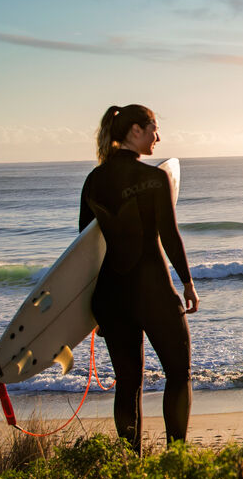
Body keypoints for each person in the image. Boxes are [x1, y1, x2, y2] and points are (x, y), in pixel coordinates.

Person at [80, 104, 199, 452]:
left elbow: (85, 248)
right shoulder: (153, 178)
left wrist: (89, 311)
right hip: (152, 292)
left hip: (110, 296)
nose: (157, 137)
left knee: (128, 382)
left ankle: (130, 469)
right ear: (135, 130)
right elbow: (169, 236)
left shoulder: (94, 180)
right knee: (178, 374)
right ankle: (175, 460)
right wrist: (188, 283)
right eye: (152, 128)